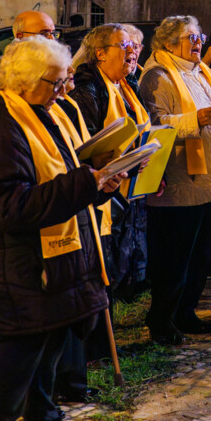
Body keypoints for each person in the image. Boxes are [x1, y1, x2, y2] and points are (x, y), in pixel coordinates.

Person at [0, 37, 128, 421]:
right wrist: (84, 184)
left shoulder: (37, 111)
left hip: (47, 260)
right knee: (20, 346)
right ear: (23, 82)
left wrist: (99, 182)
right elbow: (8, 207)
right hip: (13, 265)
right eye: (55, 82)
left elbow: (61, 176)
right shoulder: (0, 128)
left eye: (65, 79)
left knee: (50, 338)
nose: (64, 90)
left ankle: (42, 419)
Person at [138, 16, 211, 343]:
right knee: (174, 257)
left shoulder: (203, 71)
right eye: (191, 37)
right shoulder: (158, 76)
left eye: (200, 37)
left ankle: (186, 311)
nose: (199, 43)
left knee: (200, 255)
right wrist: (196, 118)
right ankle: (162, 319)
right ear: (169, 43)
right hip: (180, 180)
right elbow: (155, 124)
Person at [69, 24, 150, 298]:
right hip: (105, 193)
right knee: (107, 270)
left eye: (134, 45)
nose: (132, 50)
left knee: (124, 267)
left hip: (131, 188)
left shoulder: (127, 84)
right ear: (100, 54)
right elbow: (87, 146)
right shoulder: (87, 88)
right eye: (124, 45)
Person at [0, 11, 59, 92]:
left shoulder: (58, 70)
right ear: (20, 36)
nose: (52, 39)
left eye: (53, 33)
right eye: (44, 34)